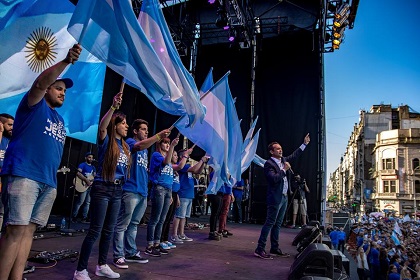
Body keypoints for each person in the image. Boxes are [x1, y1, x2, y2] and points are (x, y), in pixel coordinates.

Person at [0, 44, 81, 280]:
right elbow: (39, 83)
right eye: (58, 88)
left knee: (28, 233)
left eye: (64, 91)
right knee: (14, 231)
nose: (62, 92)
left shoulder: (59, 119)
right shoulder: (32, 106)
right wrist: (66, 61)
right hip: (24, 175)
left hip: (48, 182)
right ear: (47, 90)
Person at [73, 92, 130, 280]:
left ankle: (102, 265)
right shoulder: (107, 141)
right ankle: (80, 270)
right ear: (115, 125)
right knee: (95, 230)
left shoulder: (125, 147)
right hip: (102, 188)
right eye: (123, 123)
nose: (126, 126)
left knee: (109, 230)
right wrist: (113, 107)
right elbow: (102, 128)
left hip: (117, 190)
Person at [112, 119, 170, 269]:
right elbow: (138, 146)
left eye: (147, 129)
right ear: (135, 131)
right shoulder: (131, 142)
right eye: (143, 129)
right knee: (122, 225)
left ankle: (130, 252)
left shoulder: (145, 150)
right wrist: (158, 136)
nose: (146, 131)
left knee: (134, 224)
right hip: (130, 189)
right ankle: (118, 255)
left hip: (142, 191)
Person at [254, 133, 310, 259]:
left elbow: (294, 155)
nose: (280, 150)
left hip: (284, 196)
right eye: (277, 149)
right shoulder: (269, 164)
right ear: (271, 151)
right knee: (269, 222)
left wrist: (304, 144)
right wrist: (284, 170)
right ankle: (260, 248)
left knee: (278, 224)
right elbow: (273, 179)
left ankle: (274, 248)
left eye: (281, 148)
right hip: (275, 197)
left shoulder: (283, 160)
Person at [145, 136, 182, 257]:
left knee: (162, 219)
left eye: (168, 143)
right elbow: (165, 162)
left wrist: (171, 194)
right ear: (159, 144)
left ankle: (157, 243)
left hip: (167, 190)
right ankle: (150, 246)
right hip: (159, 188)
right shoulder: (156, 155)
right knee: (155, 219)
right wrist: (172, 146)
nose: (167, 144)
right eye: (165, 143)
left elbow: (170, 178)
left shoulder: (170, 161)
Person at [171, 150, 208, 243]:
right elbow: (194, 169)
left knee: (184, 216)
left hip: (189, 194)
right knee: (179, 215)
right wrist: (201, 161)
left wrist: (203, 163)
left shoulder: (187, 166)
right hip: (183, 193)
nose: (189, 155)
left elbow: (198, 171)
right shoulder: (182, 165)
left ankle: (181, 234)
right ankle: (174, 235)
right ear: (181, 156)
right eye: (186, 154)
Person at [160, 146, 192, 249]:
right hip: (167, 192)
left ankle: (165, 239)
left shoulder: (174, 168)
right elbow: (180, 166)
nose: (176, 157)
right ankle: (159, 240)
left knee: (169, 218)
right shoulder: (174, 166)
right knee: (164, 218)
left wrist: (176, 196)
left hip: (174, 194)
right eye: (174, 155)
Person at [72, 152, 97, 223]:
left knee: (87, 202)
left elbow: (94, 176)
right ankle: (74, 217)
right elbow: (78, 173)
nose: (91, 159)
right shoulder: (82, 165)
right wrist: (86, 180)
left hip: (89, 186)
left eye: (92, 158)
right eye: (89, 157)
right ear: (85, 158)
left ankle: (84, 218)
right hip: (83, 185)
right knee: (80, 202)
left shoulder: (93, 167)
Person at [0, 113, 14, 230]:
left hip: (6, 179)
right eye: (9, 125)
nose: (12, 127)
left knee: (4, 211)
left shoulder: (12, 141)